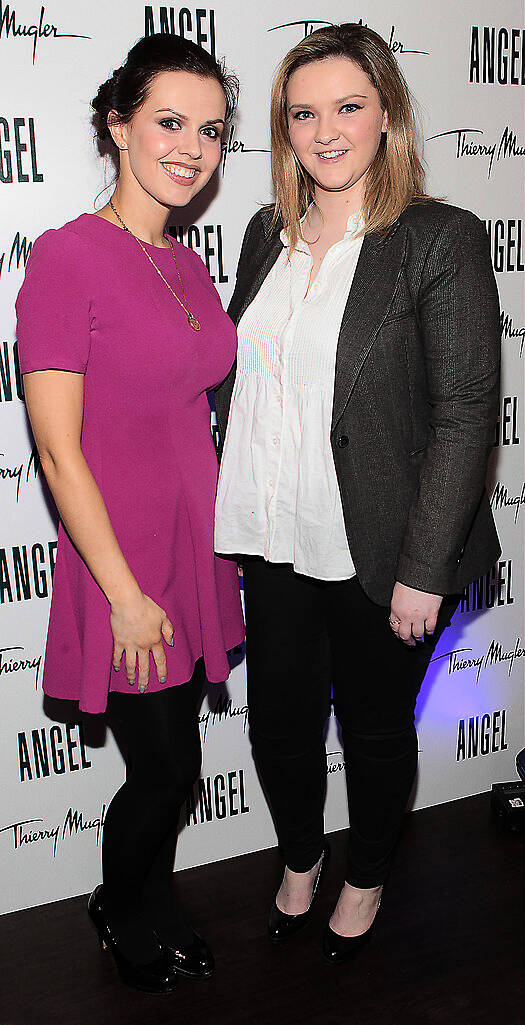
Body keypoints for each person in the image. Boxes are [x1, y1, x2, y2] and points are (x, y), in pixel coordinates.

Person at [214, 22, 500, 965]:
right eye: (303, 113)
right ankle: (301, 857)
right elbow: (236, 374)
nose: (325, 130)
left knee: (374, 730)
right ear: (283, 129)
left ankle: (366, 874)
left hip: (385, 545)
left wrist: (424, 567)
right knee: (280, 724)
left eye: (348, 106)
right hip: (277, 531)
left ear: (387, 114)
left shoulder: (436, 238)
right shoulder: (266, 235)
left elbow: (464, 411)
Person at [16, 33, 243, 993]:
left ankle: (148, 897)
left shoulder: (188, 268)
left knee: (172, 764)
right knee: (164, 770)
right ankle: (119, 906)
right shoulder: (68, 258)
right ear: (118, 125)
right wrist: (123, 593)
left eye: (212, 130)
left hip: (195, 551)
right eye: (168, 122)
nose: (192, 147)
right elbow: (59, 448)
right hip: (126, 562)